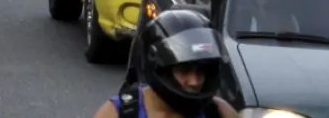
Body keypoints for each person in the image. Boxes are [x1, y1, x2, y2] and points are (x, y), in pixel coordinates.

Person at [93, 9, 238, 118]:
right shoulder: (118, 113)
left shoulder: (219, 112)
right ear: (162, 69)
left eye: (201, 71)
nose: (194, 82)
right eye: (184, 70)